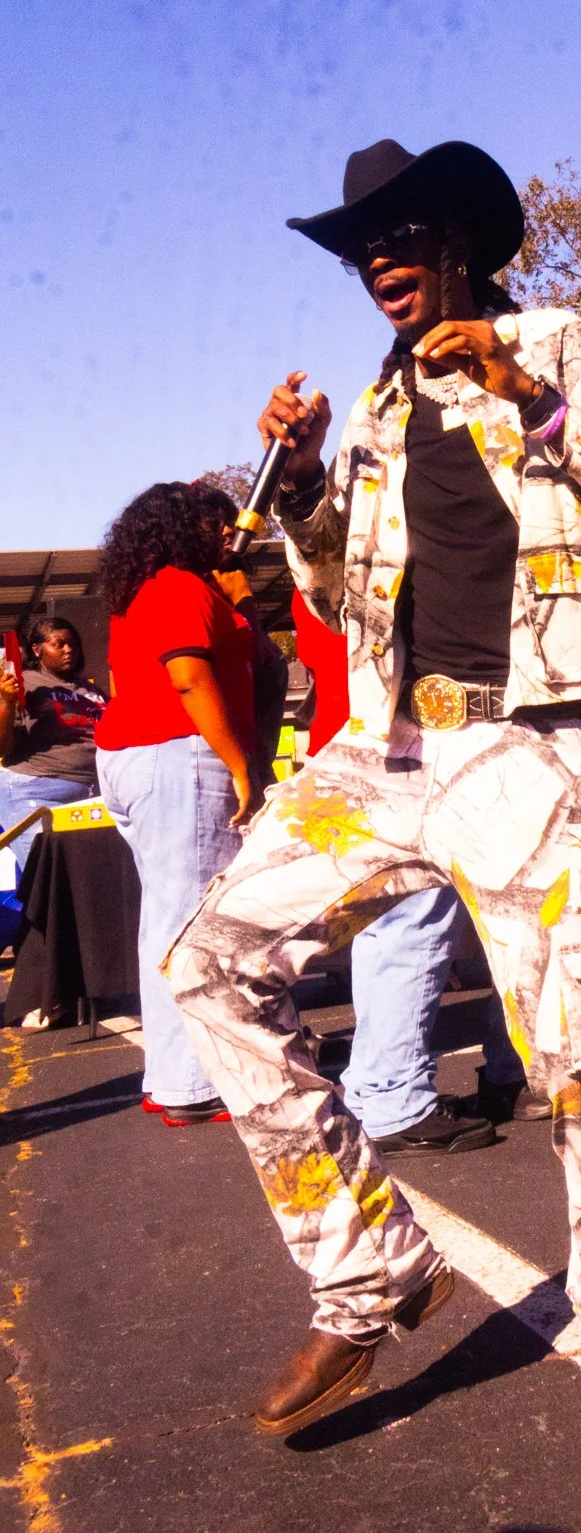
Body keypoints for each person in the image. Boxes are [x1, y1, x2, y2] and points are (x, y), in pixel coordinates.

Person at [166, 136, 581, 1438]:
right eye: (360, 251)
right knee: (206, 965)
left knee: (569, 1039)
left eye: (400, 238)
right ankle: (366, 1269)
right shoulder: (383, 407)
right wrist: (295, 486)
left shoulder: (561, 345)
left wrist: (521, 389)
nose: (379, 264)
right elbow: (345, 590)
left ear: (458, 236)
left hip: (531, 736)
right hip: (394, 745)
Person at [291, 589, 534, 1150]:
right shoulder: (380, 551)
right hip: (410, 743)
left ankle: (503, 1074)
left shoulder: (336, 555)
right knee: (415, 923)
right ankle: (391, 1096)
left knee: (437, 921)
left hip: (381, 741)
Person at [95, 482, 259, 1127]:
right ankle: (190, 1084)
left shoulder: (142, 590)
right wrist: (240, 765)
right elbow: (189, 676)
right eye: (216, 522)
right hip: (180, 754)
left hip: (140, 758)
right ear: (184, 526)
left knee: (166, 920)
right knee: (188, 926)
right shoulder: (178, 585)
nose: (229, 532)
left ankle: (171, 1074)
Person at [191, 480, 290, 791]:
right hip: (214, 756)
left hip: (253, 751)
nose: (227, 530)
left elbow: (260, 660)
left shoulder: (232, 580)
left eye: (228, 522)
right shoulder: (188, 588)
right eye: (214, 522)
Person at [0, 619, 107, 846]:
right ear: (37, 649)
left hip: (94, 797)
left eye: (73, 644)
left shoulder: (93, 691)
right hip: (36, 793)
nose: (69, 650)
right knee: (48, 874)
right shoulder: (22, 684)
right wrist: (7, 703)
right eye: (59, 644)